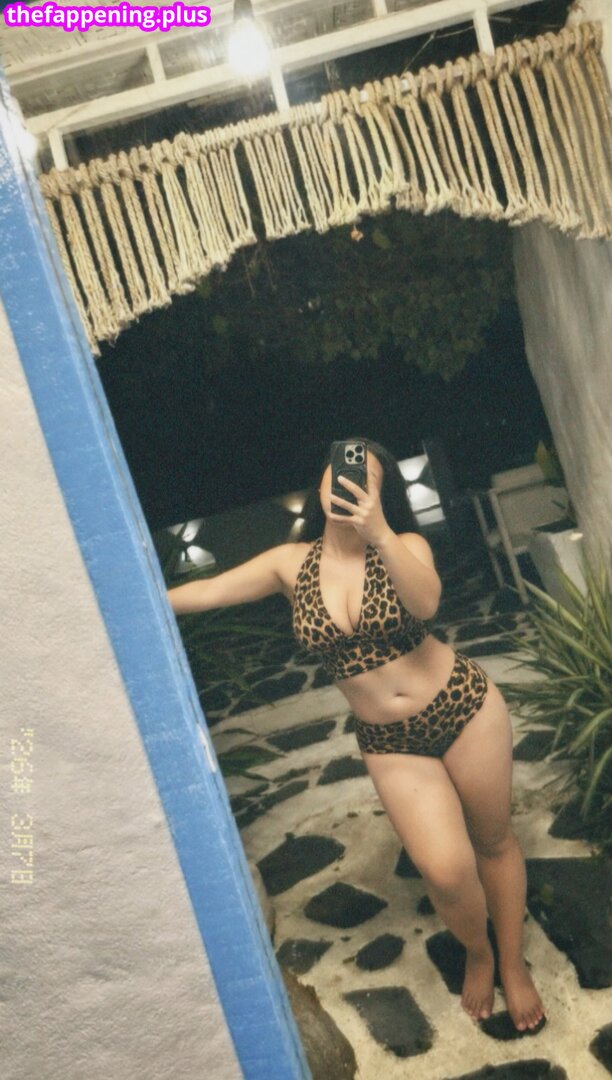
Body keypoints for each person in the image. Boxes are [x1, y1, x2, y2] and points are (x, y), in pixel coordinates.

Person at [167, 436, 546, 1033]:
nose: (348, 483)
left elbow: (426, 603)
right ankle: (479, 952)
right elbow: (207, 591)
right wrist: (131, 600)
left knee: (493, 842)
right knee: (446, 871)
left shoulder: (405, 545)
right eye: (340, 471)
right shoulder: (289, 564)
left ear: (379, 492)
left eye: (366, 477)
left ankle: (514, 962)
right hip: (391, 743)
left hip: (463, 707)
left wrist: (380, 534)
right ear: (321, 481)